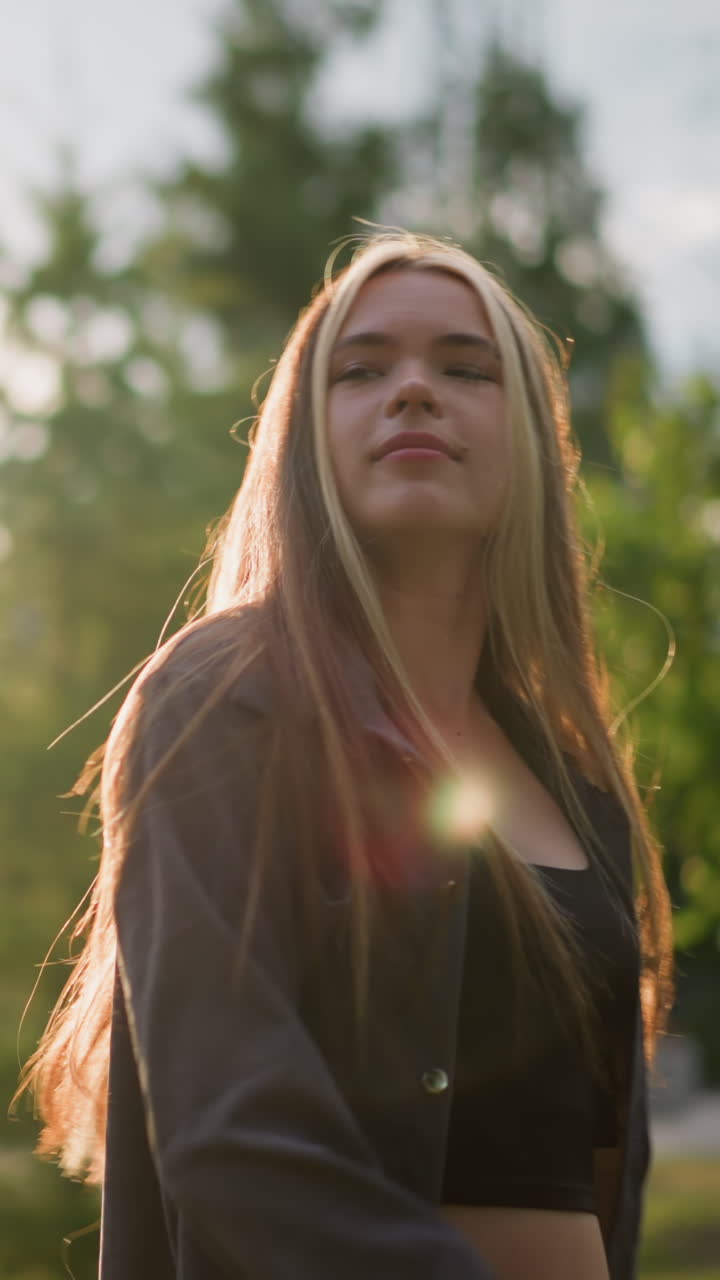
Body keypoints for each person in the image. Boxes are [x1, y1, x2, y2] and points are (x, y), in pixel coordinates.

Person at [18, 231, 673, 1280]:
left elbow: (597, 1161)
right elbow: (232, 1131)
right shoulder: (222, 701)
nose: (412, 390)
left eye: (465, 367)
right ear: (302, 440)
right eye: (361, 370)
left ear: (536, 445)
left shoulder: (581, 787)